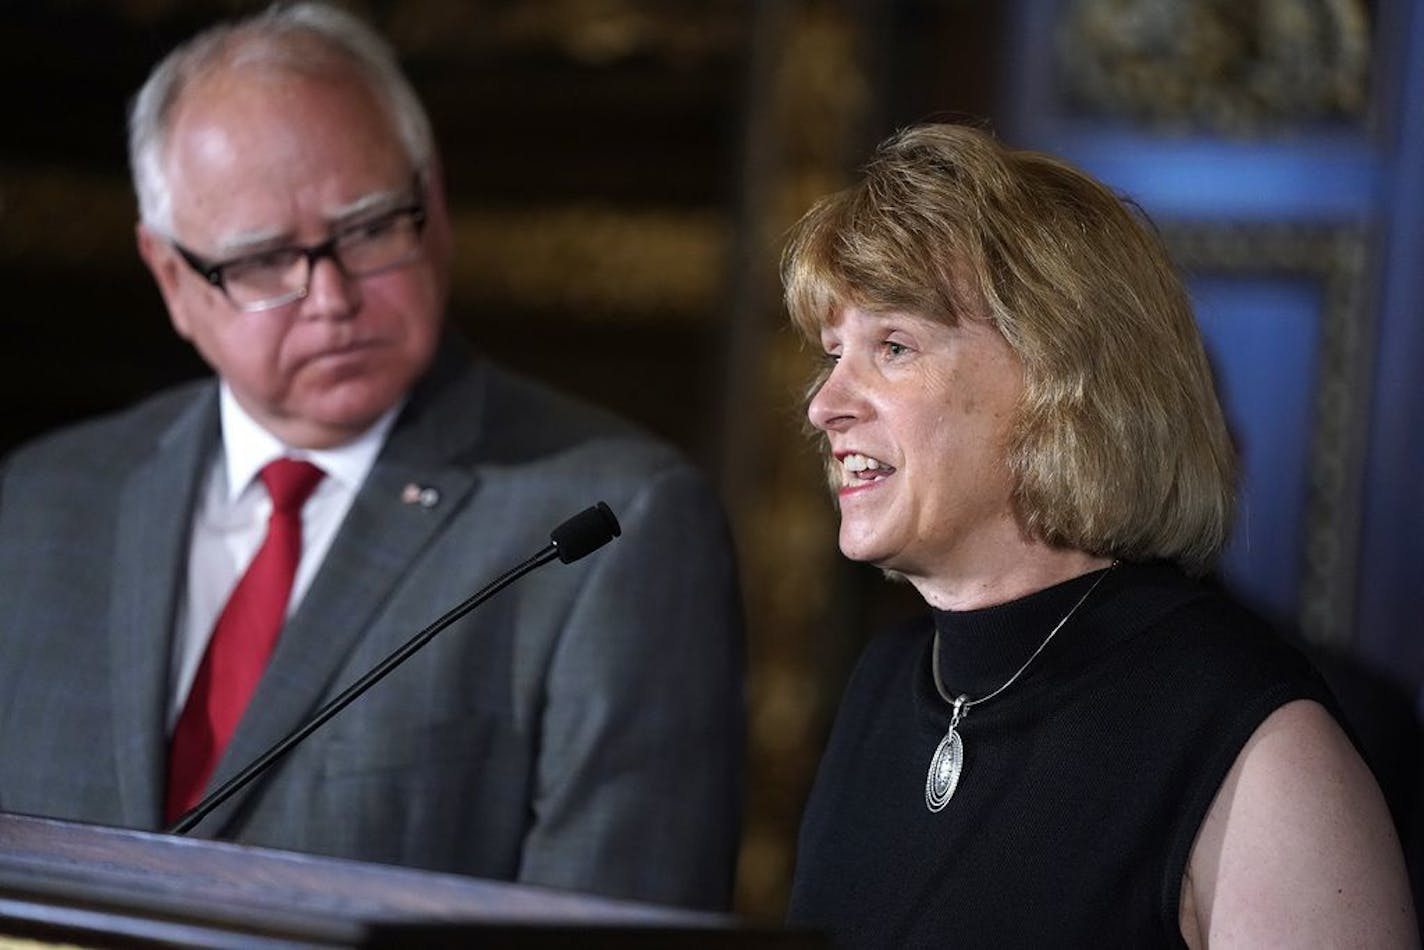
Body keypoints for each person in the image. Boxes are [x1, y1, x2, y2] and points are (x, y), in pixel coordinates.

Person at [0, 2, 744, 911]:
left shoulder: (613, 523)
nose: (331, 297)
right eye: (265, 259)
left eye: (367, 229)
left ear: (433, 207)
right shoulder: (38, 507)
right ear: (172, 279)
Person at [781, 123, 1417, 946]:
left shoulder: (1255, 738)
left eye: (892, 346)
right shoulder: (885, 683)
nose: (824, 405)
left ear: (1064, 383)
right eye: (833, 353)